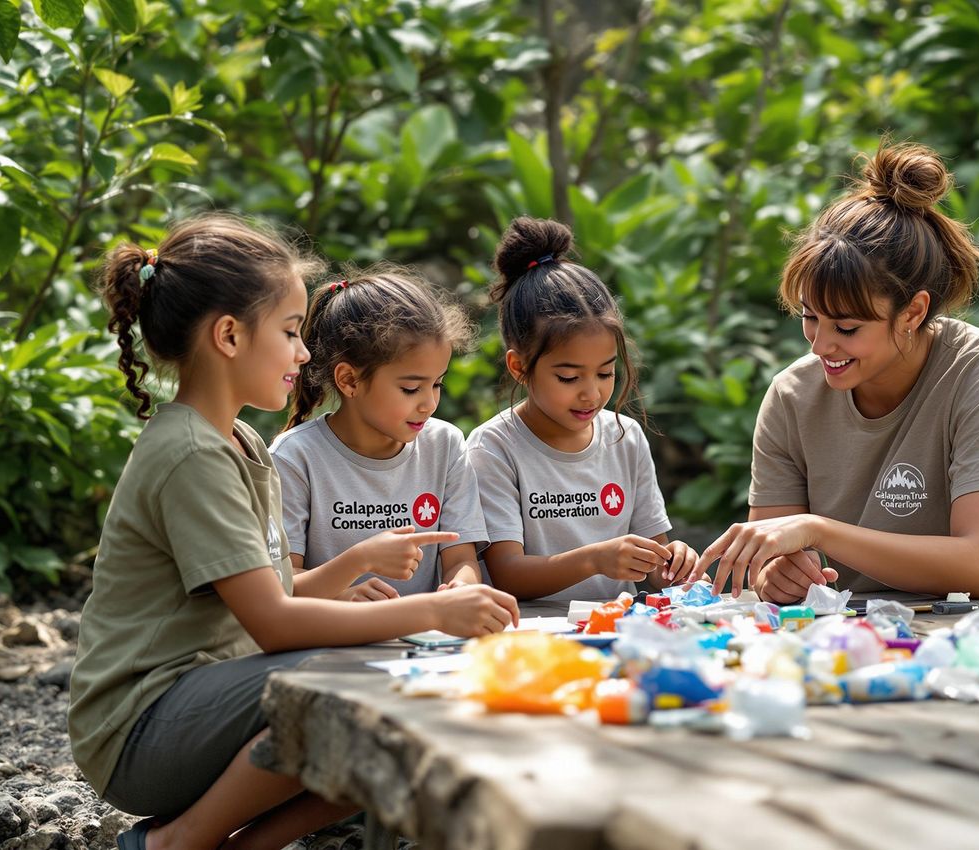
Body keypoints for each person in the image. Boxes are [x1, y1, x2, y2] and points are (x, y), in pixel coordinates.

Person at [68, 216, 518, 850]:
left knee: (398, 681)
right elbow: (275, 624)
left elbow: (277, 590)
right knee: (365, 679)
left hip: (193, 706)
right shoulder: (192, 453)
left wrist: (357, 560)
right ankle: (179, 844)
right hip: (137, 731)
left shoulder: (240, 440)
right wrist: (435, 610)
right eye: (288, 332)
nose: (304, 353)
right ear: (229, 335)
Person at [695, 142, 979, 603]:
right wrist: (776, 577)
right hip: (871, 631)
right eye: (809, 317)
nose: (821, 345)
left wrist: (817, 532)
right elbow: (771, 562)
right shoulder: (791, 397)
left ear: (913, 312)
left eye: (846, 327)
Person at [466, 216, 700, 601]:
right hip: (530, 638)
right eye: (569, 378)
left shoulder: (625, 438)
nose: (591, 394)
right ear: (520, 367)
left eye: (605, 373)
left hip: (614, 631)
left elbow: (654, 559)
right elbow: (506, 573)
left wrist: (672, 562)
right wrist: (594, 560)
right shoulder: (493, 448)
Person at [271, 266, 488, 600]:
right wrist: (343, 593)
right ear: (350, 381)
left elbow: (461, 559)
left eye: (437, 384)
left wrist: (461, 586)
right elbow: (282, 585)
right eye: (411, 388)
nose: (429, 403)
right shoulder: (295, 458)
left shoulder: (445, 445)